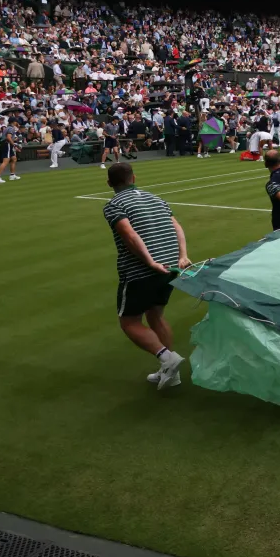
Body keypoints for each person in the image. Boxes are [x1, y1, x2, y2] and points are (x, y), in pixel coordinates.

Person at [101, 162, 190, 389]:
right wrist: (183, 255)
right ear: (134, 177)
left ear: (109, 183)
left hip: (142, 270)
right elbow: (176, 226)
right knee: (156, 315)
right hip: (171, 266)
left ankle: (167, 358)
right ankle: (171, 374)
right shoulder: (156, 198)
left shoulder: (114, 204)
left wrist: (150, 262)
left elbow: (129, 235)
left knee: (129, 322)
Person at [0, 116, 21, 183]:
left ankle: (12, 175)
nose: (17, 123)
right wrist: (14, 145)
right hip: (7, 144)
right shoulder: (11, 128)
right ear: (14, 122)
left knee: (14, 158)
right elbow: (8, 137)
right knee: (6, 161)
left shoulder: (8, 128)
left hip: (6, 144)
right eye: (16, 121)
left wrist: (14, 140)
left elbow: (8, 137)